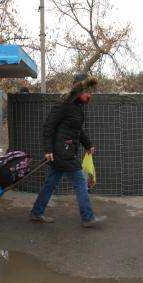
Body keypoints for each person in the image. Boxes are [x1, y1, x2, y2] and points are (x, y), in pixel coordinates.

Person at [29, 73, 106, 227]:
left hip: (65, 151)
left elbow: (78, 130)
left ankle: (36, 212)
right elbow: (48, 126)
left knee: (50, 183)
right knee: (80, 181)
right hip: (62, 153)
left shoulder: (78, 107)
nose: (90, 95)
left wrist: (88, 144)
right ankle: (88, 218)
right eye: (88, 92)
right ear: (79, 90)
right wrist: (48, 149)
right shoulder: (64, 105)